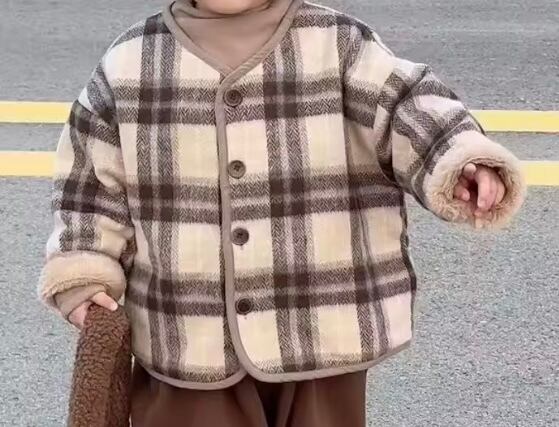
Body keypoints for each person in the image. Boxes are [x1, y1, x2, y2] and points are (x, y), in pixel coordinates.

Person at [38, 0, 526, 425]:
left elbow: (407, 104)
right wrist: (84, 269)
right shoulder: (128, 65)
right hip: (186, 336)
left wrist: (458, 158)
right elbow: (91, 181)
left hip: (322, 330)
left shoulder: (341, 46)